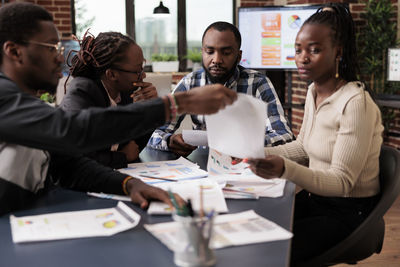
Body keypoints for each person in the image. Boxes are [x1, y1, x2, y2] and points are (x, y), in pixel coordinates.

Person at [0, 2, 237, 215]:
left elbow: (68, 165)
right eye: (51, 48)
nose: (60, 59)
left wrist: (129, 185)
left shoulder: (24, 104)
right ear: (14, 51)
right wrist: (178, 103)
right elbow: (72, 130)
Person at [245, 3, 383, 265]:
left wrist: (284, 168)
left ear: (338, 52)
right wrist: (252, 151)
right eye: (298, 50)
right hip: (316, 200)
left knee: (270, 253)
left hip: (348, 213)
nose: (303, 58)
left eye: (315, 50)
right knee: (256, 232)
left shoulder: (356, 103)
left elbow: (342, 182)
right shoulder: (313, 91)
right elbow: (303, 148)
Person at [148, 21, 293, 156]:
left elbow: (284, 135)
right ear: (202, 52)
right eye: (210, 51)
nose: (216, 60)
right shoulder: (190, 82)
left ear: (238, 56)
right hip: (201, 166)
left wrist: (242, 143)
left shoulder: (258, 83)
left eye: (226, 53)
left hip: (245, 163)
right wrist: (169, 141)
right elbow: (154, 132)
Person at [60, 32, 157, 169]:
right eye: (137, 71)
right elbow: (76, 157)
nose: (144, 75)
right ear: (111, 74)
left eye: (143, 68)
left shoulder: (125, 93)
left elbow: (134, 148)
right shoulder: (82, 92)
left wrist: (150, 110)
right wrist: (121, 157)